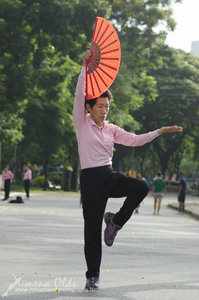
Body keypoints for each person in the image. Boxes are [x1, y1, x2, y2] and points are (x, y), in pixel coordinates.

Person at [73, 49, 183, 291]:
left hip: (108, 176)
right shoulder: (81, 124)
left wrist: (160, 131)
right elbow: (79, 94)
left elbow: (135, 139)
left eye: (107, 106)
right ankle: (92, 276)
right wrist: (84, 67)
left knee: (141, 187)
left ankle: (114, 222)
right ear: (89, 108)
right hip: (90, 180)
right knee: (91, 231)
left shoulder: (112, 129)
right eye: (100, 106)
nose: (104, 110)